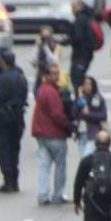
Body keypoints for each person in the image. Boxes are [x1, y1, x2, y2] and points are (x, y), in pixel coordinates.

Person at [0, 50, 29, 192]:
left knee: (2, 149)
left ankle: (8, 180)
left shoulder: (0, 79)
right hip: (18, 117)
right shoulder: (21, 77)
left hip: (2, 118)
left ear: (3, 62)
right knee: (14, 149)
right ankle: (14, 181)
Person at [32, 66, 74, 206]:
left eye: (58, 73)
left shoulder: (43, 90)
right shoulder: (51, 92)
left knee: (44, 165)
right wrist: (69, 125)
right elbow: (57, 114)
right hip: (55, 134)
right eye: (54, 74)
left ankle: (42, 194)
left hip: (41, 133)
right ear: (46, 75)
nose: (57, 77)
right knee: (60, 165)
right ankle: (58, 194)